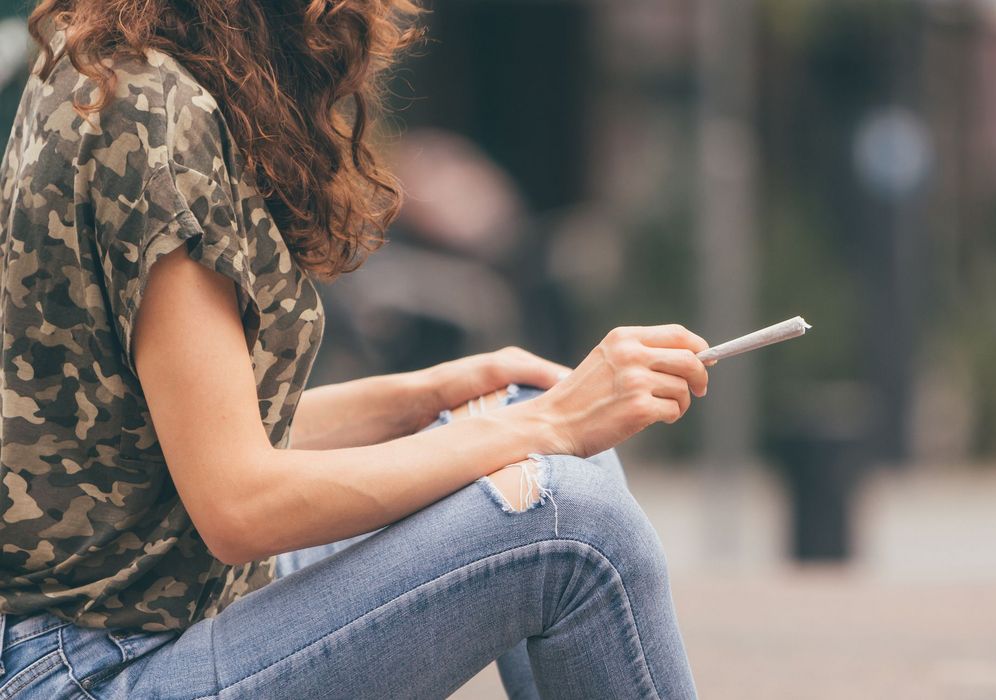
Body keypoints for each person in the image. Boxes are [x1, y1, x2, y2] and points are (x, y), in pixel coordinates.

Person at [0, 1, 710, 697]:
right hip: (98, 669)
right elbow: (238, 505)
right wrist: (546, 426)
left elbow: (179, 439)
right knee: (578, 527)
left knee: (519, 411)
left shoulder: (103, 55)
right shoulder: (151, 111)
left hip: (125, 618)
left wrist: (431, 399)